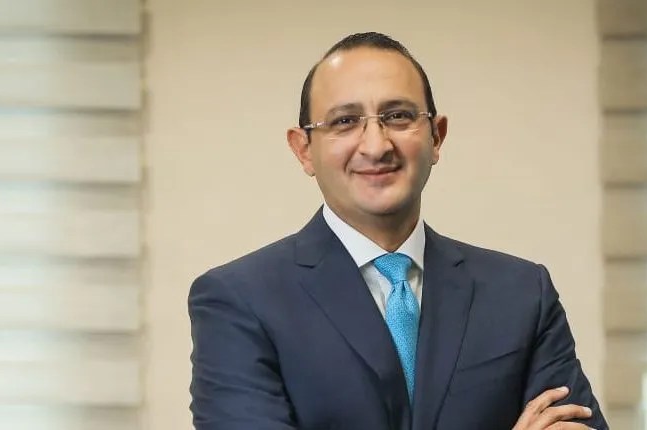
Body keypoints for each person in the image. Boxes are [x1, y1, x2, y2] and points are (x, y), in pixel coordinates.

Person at [189, 32, 608, 430]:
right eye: (345, 121)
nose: (376, 146)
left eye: (399, 116)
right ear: (304, 150)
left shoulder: (521, 293)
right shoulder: (239, 301)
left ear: (436, 137)